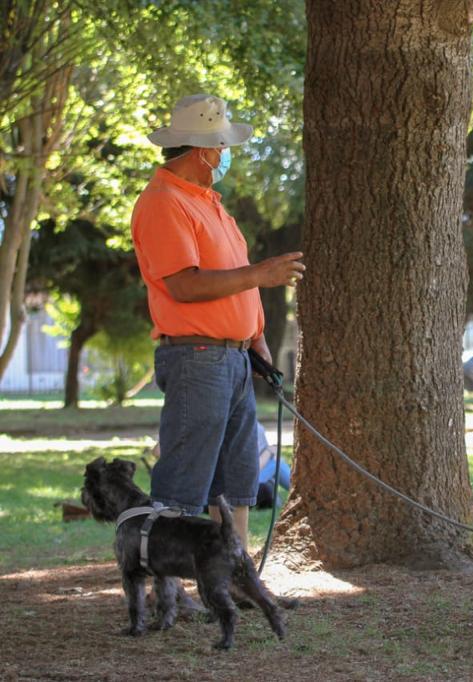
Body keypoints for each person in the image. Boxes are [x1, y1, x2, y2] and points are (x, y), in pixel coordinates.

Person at [132, 93, 304, 549]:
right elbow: (184, 285)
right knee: (184, 478)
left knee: (237, 472)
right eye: (223, 147)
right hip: (197, 357)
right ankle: (169, 586)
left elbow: (233, 283)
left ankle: (234, 572)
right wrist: (262, 274)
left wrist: (257, 339)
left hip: (233, 357)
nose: (226, 155)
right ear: (204, 151)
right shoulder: (164, 202)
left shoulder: (208, 202)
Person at [149, 421, 291, 510]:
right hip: (231, 481)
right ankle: (299, 490)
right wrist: (268, 452)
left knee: (274, 463)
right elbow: (157, 451)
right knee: (275, 462)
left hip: (225, 480)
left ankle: (291, 492)